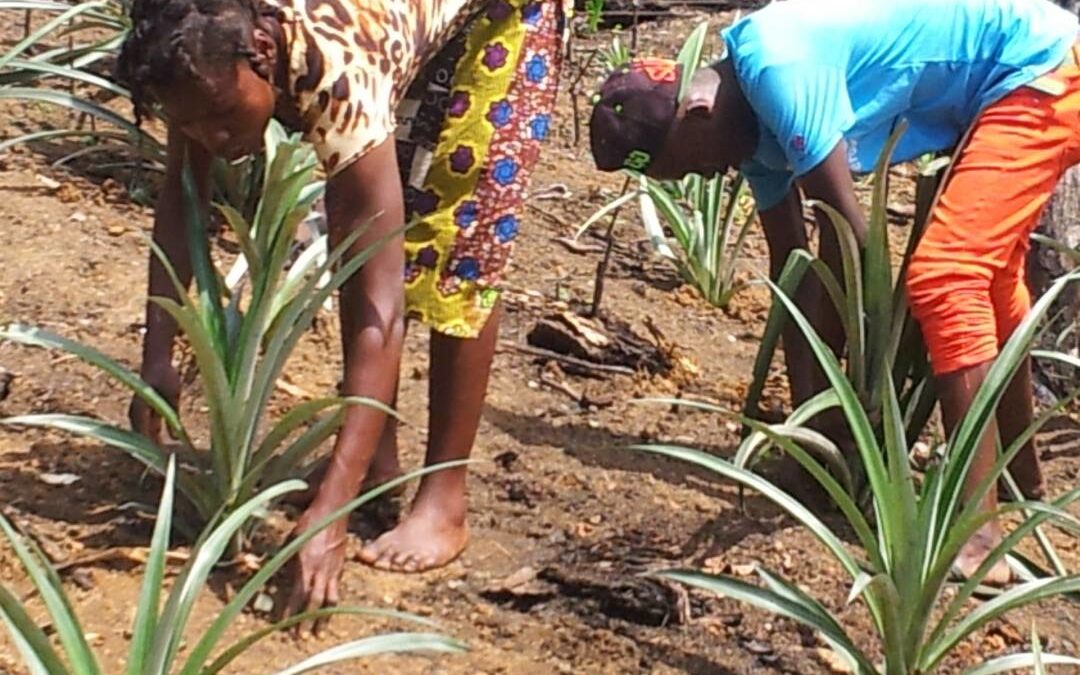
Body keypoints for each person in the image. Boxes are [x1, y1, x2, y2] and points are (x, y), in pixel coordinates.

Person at [588, 0, 1080, 585]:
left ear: (696, 113)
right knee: (991, 283)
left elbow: (853, 242)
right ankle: (1020, 482)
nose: (711, 176)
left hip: (1041, 69)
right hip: (1014, 81)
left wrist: (859, 395)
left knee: (948, 275)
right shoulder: (743, 130)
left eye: (695, 167)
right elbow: (796, 278)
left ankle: (979, 526)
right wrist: (813, 432)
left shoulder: (777, 71)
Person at [115, 0, 567, 615]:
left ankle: (442, 499)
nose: (213, 140)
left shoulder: (337, 75)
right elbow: (183, 196)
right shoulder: (196, 52)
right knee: (360, 238)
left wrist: (329, 514)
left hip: (503, 16)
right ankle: (371, 465)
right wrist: (157, 354)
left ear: (265, 55)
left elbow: (383, 309)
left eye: (222, 117)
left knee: (459, 246)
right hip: (395, 22)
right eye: (192, 125)